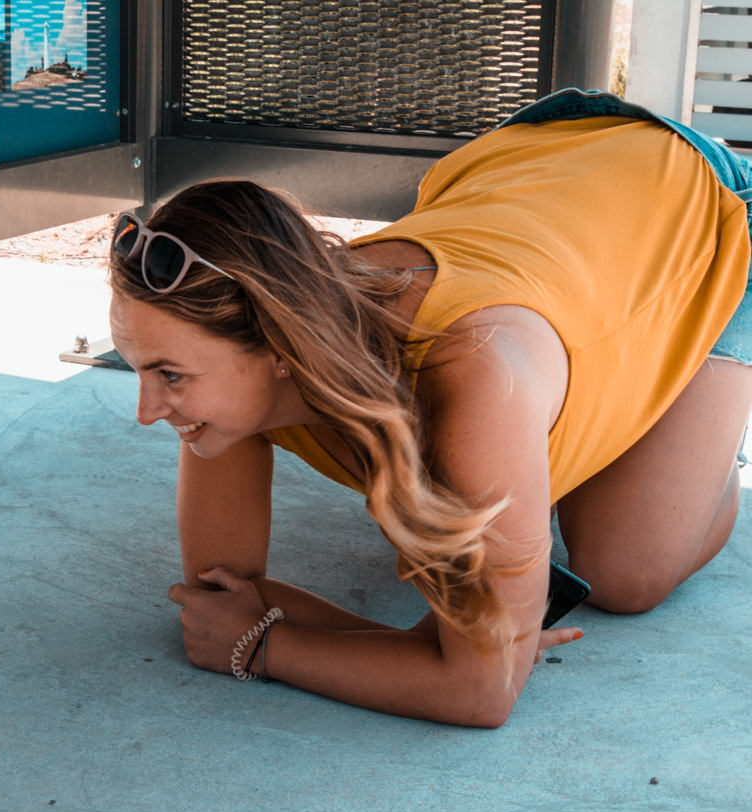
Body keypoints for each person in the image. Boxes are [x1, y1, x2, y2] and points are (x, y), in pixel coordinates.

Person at [107, 89, 752, 727]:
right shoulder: (241, 373)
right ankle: (557, 448)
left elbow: (481, 694)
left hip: (700, 207)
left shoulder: (471, 380)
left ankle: (701, 413)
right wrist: (448, 648)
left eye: (170, 375)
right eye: (142, 368)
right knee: (503, 546)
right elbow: (222, 604)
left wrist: (271, 648)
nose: (148, 410)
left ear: (279, 345)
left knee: (624, 576)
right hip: (516, 163)